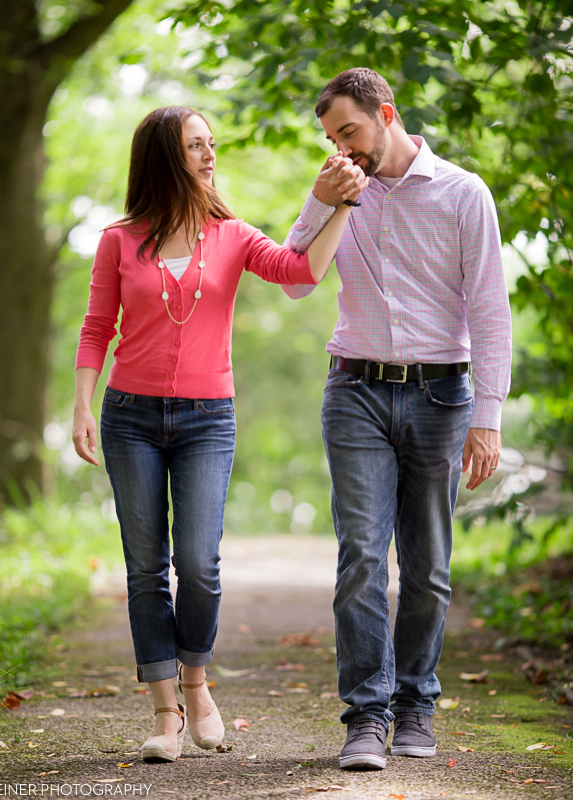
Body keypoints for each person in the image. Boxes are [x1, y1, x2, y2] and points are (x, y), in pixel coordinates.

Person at [70, 106, 365, 763]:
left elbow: (301, 272)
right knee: (145, 569)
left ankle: (199, 686)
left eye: (211, 144)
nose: (208, 155)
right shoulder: (119, 240)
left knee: (198, 565)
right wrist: (82, 406)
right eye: (194, 146)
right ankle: (165, 711)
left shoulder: (230, 235)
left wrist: (338, 207)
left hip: (208, 419)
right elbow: (96, 328)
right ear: (162, 159)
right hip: (130, 418)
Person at [279, 68, 511, 771]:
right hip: (355, 391)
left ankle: (416, 706)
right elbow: (293, 279)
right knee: (360, 559)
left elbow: (489, 310)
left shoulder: (463, 193)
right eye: (329, 138)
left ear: (387, 114)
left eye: (348, 132)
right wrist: (323, 205)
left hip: (444, 397)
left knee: (430, 567)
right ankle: (367, 716)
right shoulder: (337, 191)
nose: (340, 149)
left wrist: (488, 415)